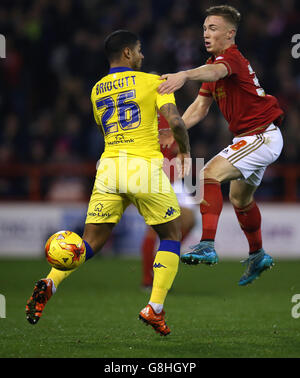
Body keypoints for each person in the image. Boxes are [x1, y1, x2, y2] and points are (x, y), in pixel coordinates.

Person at [25, 30, 191, 336]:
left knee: (91, 242)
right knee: (171, 233)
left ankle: (50, 281)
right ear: (127, 53)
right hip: (143, 167)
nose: (142, 56)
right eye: (139, 50)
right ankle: (154, 308)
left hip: (109, 168)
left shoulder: (96, 90)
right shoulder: (154, 80)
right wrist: (184, 151)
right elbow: (176, 121)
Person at [158, 5, 284, 286]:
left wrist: (184, 75)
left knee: (207, 175)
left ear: (230, 34)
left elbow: (215, 74)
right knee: (240, 200)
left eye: (212, 28)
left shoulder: (231, 59)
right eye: (204, 28)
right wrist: (172, 131)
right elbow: (199, 108)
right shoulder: (215, 61)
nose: (206, 33)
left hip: (261, 136)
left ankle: (207, 245)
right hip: (251, 138)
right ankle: (258, 254)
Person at [141, 111, 196, 289]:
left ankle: (164, 259)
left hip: (174, 179)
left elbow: (179, 146)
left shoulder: (168, 111)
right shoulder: (146, 116)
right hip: (155, 178)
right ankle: (148, 279)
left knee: (189, 220)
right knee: (154, 229)